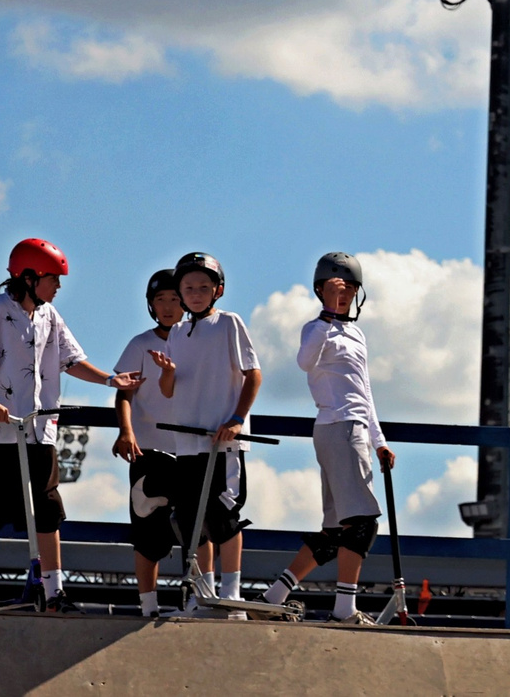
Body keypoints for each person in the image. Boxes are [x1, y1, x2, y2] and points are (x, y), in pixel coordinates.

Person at [0, 238, 141, 611]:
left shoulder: (49, 316)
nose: (58, 286)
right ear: (28, 277)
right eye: (53, 278)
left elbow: (71, 360)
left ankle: (54, 592)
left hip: (39, 428)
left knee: (48, 510)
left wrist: (109, 380)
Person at [260, 253, 394, 624]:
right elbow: (305, 362)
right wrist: (327, 316)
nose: (345, 294)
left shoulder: (356, 332)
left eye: (351, 288)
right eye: (337, 287)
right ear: (320, 289)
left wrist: (379, 441)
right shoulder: (315, 328)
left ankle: (275, 595)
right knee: (362, 524)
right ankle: (344, 609)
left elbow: (364, 391)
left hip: (354, 428)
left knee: (336, 532)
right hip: (337, 426)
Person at [158, 250, 263, 611]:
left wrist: (236, 419)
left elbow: (254, 374)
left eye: (204, 286)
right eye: (189, 287)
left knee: (223, 516)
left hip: (223, 443)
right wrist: (167, 371)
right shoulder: (176, 333)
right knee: (188, 519)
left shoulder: (230, 323)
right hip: (187, 443)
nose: (196, 293)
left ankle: (231, 594)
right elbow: (168, 390)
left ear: (217, 290)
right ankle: (204, 595)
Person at [110, 268, 186, 616]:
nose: (168, 306)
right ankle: (148, 605)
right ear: (151, 305)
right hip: (149, 449)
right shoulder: (141, 344)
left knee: (198, 526)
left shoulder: (197, 341)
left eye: (174, 298)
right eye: (161, 300)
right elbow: (124, 394)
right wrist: (126, 431)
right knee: (147, 531)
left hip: (191, 450)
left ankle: (198, 600)